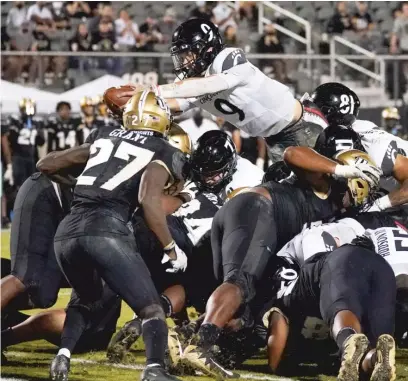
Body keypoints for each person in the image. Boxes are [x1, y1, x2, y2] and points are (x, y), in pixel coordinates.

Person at [179, 148, 382, 378]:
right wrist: (341, 169)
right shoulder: (324, 181)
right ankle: (201, 347)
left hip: (249, 217)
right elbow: (292, 154)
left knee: (244, 304)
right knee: (240, 283)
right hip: (257, 210)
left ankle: (184, 338)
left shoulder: (336, 210)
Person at [37, 91, 187, 381]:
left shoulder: (104, 138)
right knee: (152, 308)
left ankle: (63, 356)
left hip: (66, 234)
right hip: (106, 230)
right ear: (160, 120)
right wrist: (170, 247)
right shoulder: (165, 150)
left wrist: (82, 185)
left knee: (85, 300)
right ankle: (154, 370)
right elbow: (148, 199)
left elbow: (46, 165)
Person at [109, 130, 264, 364]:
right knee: (229, 295)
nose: (209, 178)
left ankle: (149, 321)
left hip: (206, 243)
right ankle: (189, 333)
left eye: (215, 173)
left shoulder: (249, 175)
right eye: (205, 173)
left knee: (187, 286)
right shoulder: (193, 180)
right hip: (200, 244)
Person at [124, 18, 327, 164]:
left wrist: (154, 89)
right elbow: (176, 106)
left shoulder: (227, 58)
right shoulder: (192, 80)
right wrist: (135, 105)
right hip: (273, 139)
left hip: (302, 125)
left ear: (207, 48)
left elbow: (210, 85)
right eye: (182, 55)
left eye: (189, 53)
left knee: (337, 188)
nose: (185, 61)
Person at [261, 241, 397, 381]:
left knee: (341, 308)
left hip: (342, 260)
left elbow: (279, 321)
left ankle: (350, 339)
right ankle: (376, 358)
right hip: (383, 267)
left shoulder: (290, 296)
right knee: (371, 349)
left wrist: (272, 367)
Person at [310, 82, 408, 215]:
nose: (311, 115)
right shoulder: (344, 132)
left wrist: (379, 205)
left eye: (317, 111)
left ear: (331, 113)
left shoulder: (373, 143)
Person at [0, 172, 72, 316]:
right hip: (46, 191)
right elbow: (46, 163)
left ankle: (7, 324)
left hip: (69, 210)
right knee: (25, 275)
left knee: (44, 295)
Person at [6, 98, 45, 188]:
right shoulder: (16, 121)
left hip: (32, 157)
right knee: (20, 184)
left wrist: (38, 131)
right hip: (19, 156)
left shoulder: (36, 123)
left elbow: (41, 142)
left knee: (33, 184)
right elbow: (11, 139)